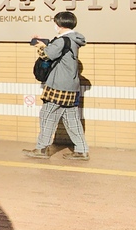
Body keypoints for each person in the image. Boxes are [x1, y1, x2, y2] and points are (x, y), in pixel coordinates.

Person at [23, 11, 88, 160]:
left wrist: (40, 47)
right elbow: (58, 52)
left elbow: (46, 55)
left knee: (47, 115)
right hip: (71, 86)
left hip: (58, 85)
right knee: (71, 119)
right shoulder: (74, 39)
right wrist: (46, 44)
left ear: (59, 24)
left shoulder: (62, 40)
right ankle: (82, 150)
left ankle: (41, 149)